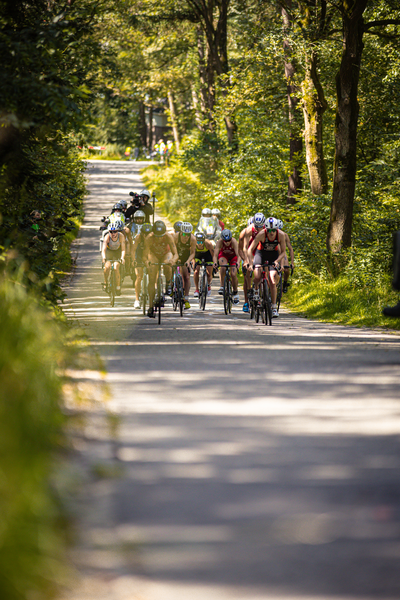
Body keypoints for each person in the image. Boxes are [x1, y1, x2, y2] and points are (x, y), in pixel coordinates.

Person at [249, 216, 286, 318]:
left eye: (274, 230)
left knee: (272, 280)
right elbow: (250, 249)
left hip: (273, 256)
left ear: (277, 229)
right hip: (260, 254)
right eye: (269, 230)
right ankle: (256, 290)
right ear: (266, 229)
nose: (271, 233)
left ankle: (274, 307)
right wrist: (249, 262)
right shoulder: (261, 234)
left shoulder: (281, 235)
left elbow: (283, 252)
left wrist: (277, 261)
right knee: (257, 275)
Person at [143, 220, 178, 318]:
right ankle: (150, 306)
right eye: (157, 236)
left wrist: (173, 261)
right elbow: (145, 255)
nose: (159, 238)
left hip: (165, 254)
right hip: (154, 254)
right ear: (153, 233)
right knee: (152, 277)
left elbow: (175, 254)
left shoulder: (168, 237)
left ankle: (168, 284)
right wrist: (146, 262)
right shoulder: (149, 238)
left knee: (167, 264)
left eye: (161, 236)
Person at [238, 212, 266, 312]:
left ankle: (265, 295)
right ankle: (248, 296)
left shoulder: (265, 230)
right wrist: (246, 260)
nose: (258, 229)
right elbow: (242, 249)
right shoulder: (246, 232)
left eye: (260, 227)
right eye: (256, 227)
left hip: (260, 251)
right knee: (248, 273)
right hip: (248, 253)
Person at [173, 222, 196, 309]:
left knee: (186, 277)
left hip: (186, 257)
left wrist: (188, 261)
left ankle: (186, 298)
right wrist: (175, 259)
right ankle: (171, 285)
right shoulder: (175, 237)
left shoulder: (192, 239)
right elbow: (172, 250)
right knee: (172, 268)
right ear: (180, 232)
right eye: (183, 234)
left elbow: (193, 253)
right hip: (176, 254)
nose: (186, 237)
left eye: (188, 234)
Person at [213, 229, 240, 304]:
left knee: (233, 274)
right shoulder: (219, 242)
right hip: (224, 256)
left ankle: (235, 292)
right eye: (225, 241)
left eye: (229, 240)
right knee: (223, 266)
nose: (227, 243)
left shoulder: (234, 242)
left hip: (233, 257)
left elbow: (238, 255)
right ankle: (222, 286)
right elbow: (215, 255)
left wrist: (238, 262)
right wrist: (215, 263)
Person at [131, 222, 152, 309]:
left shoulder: (152, 237)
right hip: (139, 256)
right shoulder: (138, 237)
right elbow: (133, 250)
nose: (146, 235)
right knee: (139, 277)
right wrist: (134, 260)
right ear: (141, 233)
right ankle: (136, 300)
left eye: (148, 233)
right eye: (144, 233)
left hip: (149, 256)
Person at [102, 221, 126, 295]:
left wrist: (122, 258)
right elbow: (103, 250)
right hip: (109, 252)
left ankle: (118, 287)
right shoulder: (107, 237)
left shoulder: (121, 236)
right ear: (109, 231)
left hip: (117, 252)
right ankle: (106, 282)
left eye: (115, 231)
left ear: (117, 231)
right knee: (107, 267)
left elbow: (123, 249)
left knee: (116, 267)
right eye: (111, 232)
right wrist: (104, 258)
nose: (113, 234)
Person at [193, 232, 215, 298]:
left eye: (201, 242)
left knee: (209, 273)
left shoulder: (208, 244)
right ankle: (196, 289)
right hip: (198, 256)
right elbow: (192, 255)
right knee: (196, 272)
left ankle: (208, 285)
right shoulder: (193, 244)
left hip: (207, 255)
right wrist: (193, 263)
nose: (200, 244)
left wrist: (214, 264)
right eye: (198, 242)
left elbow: (213, 255)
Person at [276, 219, 294, 292]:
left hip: (282, 252)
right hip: (275, 252)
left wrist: (292, 262)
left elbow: (290, 249)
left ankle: (285, 283)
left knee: (286, 269)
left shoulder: (285, 235)